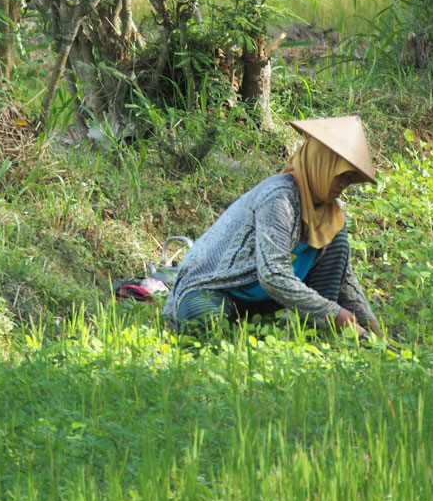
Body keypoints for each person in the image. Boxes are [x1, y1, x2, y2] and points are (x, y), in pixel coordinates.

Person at [163, 116, 383, 338]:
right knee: (205, 323)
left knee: (336, 240)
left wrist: (372, 329)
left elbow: (344, 280)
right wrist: (334, 314)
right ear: (321, 165)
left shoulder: (331, 214)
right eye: (341, 176)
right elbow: (273, 274)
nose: (344, 185)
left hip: (260, 301)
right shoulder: (279, 198)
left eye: (349, 179)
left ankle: (316, 332)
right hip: (215, 287)